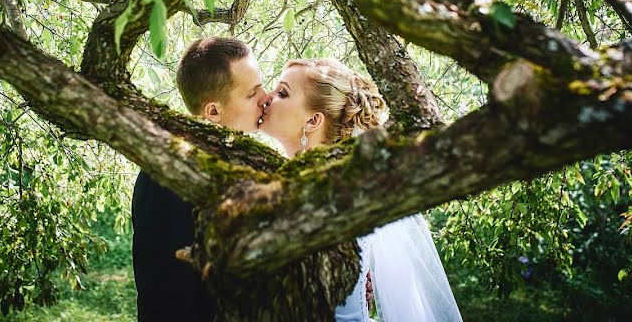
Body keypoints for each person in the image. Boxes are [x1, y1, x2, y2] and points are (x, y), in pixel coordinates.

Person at [259, 57, 463, 322]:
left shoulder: (329, 199)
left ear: (312, 121)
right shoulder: (295, 187)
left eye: (282, 92)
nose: (267, 97)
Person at [131, 37, 270, 322]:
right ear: (213, 112)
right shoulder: (168, 178)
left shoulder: (243, 160)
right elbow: (168, 294)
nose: (266, 97)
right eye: (251, 93)